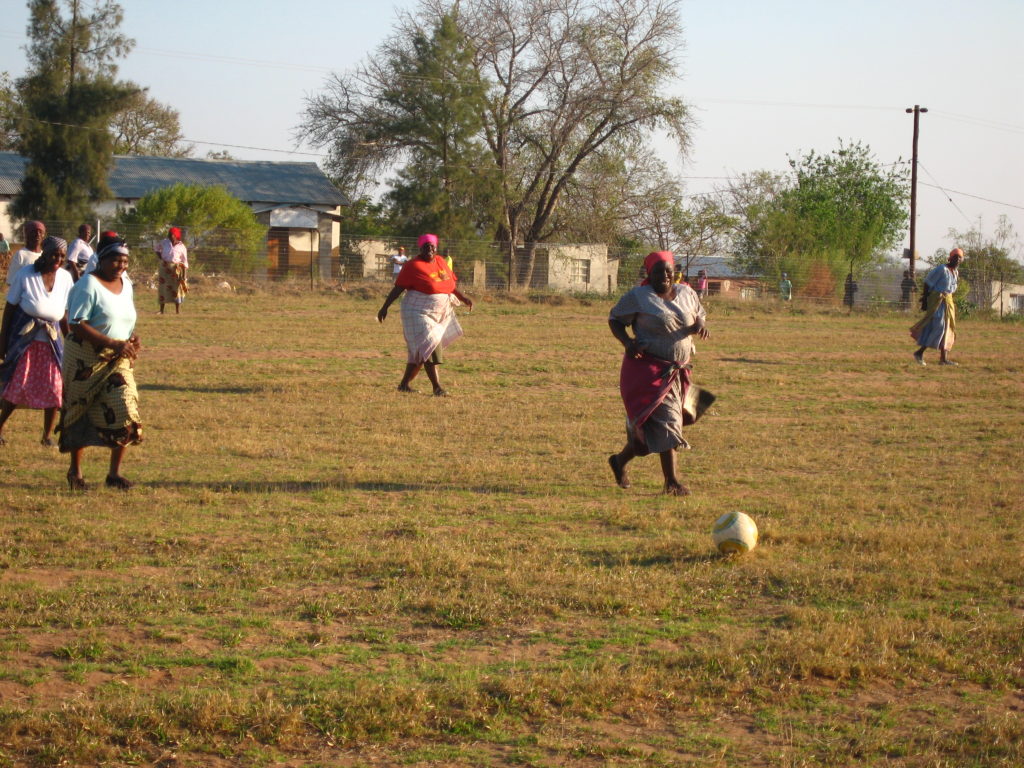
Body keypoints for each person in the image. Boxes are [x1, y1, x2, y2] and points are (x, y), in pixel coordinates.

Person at [607, 251, 715, 496]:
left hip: (679, 371)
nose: (664, 275)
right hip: (650, 371)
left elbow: (699, 313)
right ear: (649, 273)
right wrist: (627, 342)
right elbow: (615, 319)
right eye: (658, 271)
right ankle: (672, 483)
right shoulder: (639, 297)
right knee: (668, 423)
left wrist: (700, 324)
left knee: (645, 442)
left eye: (668, 271)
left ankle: (619, 460)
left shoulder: (687, 292)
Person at [56, 236, 142, 490]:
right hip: (85, 358)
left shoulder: (126, 284)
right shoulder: (87, 285)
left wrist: (131, 339)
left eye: (125, 260)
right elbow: (76, 324)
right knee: (79, 410)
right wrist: (113, 343)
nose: (120, 265)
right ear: (101, 259)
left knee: (126, 407)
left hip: (117, 360)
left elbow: (125, 316)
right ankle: (76, 473)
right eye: (115, 259)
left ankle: (114, 474)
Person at [376, 233, 473, 396]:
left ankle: (404, 385)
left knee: (421, 352)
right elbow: (399, 288)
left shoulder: (441, 262)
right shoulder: (412, 266)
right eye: (426, 246)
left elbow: (449, 285)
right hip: (417, 311)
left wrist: (463, 298)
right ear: (420, 248)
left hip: (439, 314)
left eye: (432, 246)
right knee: (430, 345)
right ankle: (437, 388)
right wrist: (384, 307)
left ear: (436, 248)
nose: (429, 249)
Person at [0, 236, 73, 447]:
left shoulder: (66, 278)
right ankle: (1, 425)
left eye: (61, 256)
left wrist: (70, 341)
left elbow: (65, 315)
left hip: (51, 341)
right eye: (54, 254)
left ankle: (46, 435)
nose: (57, 259)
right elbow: (10, 308)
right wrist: (2, 340)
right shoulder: (26, 274)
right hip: (26, 339)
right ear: (45, 253)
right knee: (17, 387)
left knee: (55, 388)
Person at [911, 248, 963, 366]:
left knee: (948, 329)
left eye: (960, 258)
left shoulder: (955, 272)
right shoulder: (942, 269)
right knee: (939, 327)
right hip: (937, 302)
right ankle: (919, 352)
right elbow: (927, 282)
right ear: (950, 257)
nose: (957, 260)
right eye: (955, 257)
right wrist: (924, 300)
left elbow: (951, 289)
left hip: (948, 303)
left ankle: (943, 359)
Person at [5, 221, 46, 299]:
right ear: (27, 235)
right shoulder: (20, 255)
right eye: (34, 232)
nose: (38, 234)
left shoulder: (45, 255)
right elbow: (12, 281)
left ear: (44, 235)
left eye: (40, 232)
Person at [156, 227, 188, 314]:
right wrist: (161, 258)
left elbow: (185, 262)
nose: (170, 236)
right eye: (169, 234)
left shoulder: (182, 247)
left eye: (172, 235)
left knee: (176, 288)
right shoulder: (164, 242)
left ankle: (177, 311)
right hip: (164, 267)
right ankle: (161, 310)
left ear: (176, 235)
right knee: (163, 288)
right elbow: (157, 249)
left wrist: (184, 275)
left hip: (176, 269)